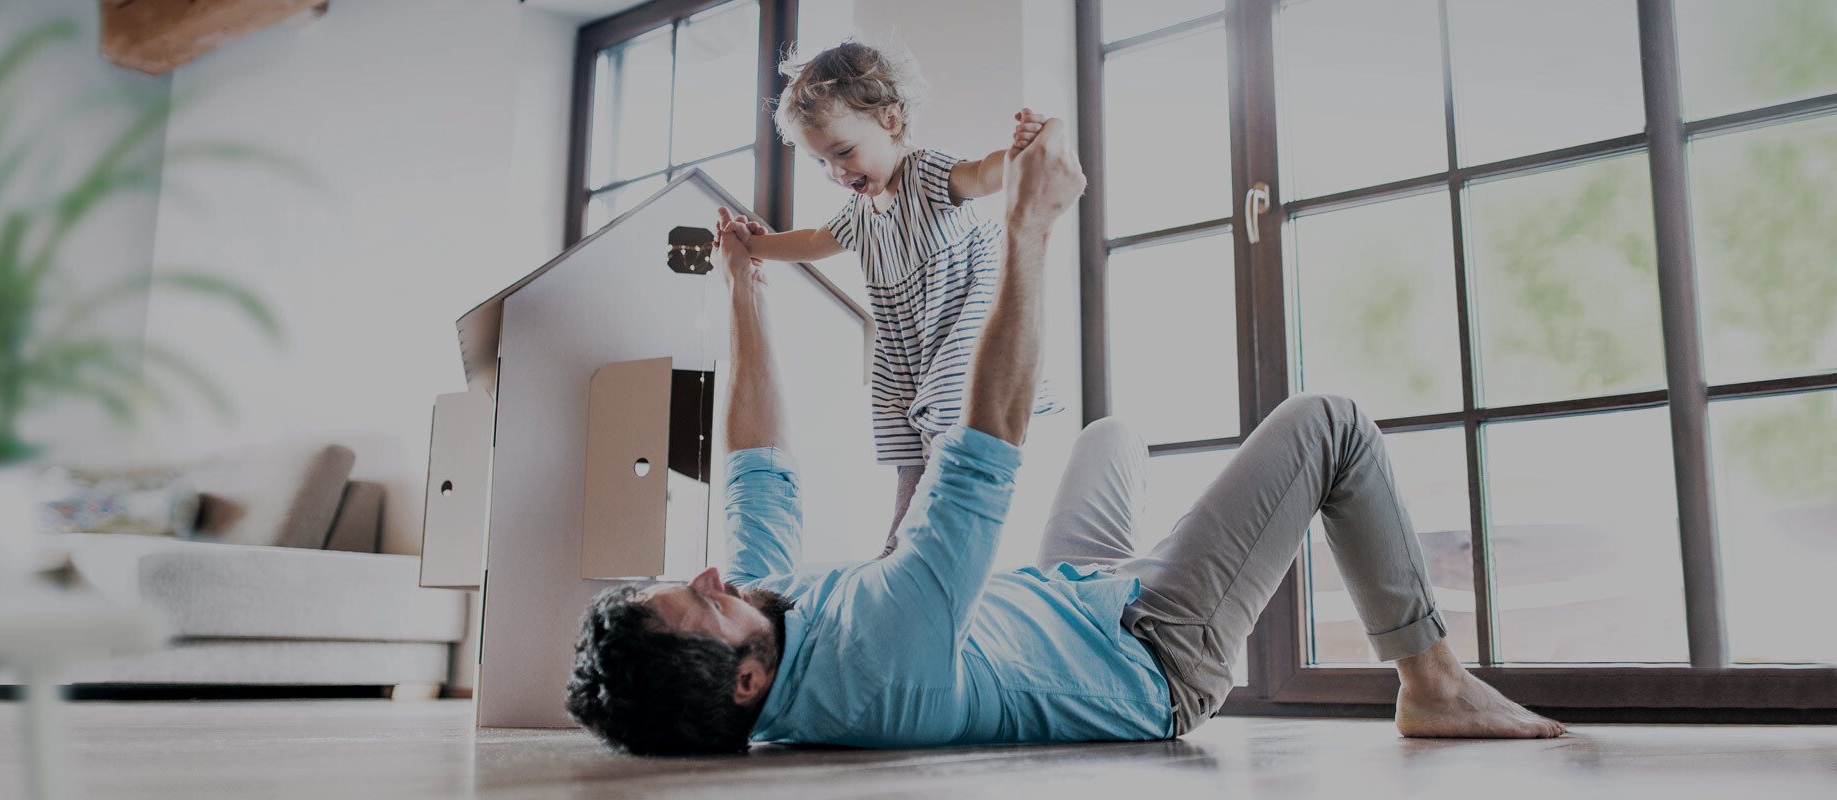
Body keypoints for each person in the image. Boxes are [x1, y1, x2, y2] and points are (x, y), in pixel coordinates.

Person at [567, 118, 1567, 756]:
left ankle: (1163, 558)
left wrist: (745, 282)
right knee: (1330, 424)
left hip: (1047, 608)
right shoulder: (880, 650)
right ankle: (1431, 682)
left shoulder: (763, 626)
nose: (707, 574)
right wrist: (1030, 229)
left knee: (1113, 437)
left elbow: (753, 461)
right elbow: (983, 441)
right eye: (695, 602)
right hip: (1149, 653)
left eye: (685, 579)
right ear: (745, 681)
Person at [715, 40, 1062, 557]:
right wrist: (753, 246)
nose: (836, 173)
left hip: (963, 324)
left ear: (891, 120)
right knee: (904, 435)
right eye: (820, 162)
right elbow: (811, 241)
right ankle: (898, 541)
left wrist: (1017, 158)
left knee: (943, 413)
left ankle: (943, 527)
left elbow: (981, 174)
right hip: (908, 346)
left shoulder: (926, 176)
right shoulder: (861, 214)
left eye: (843, 152)